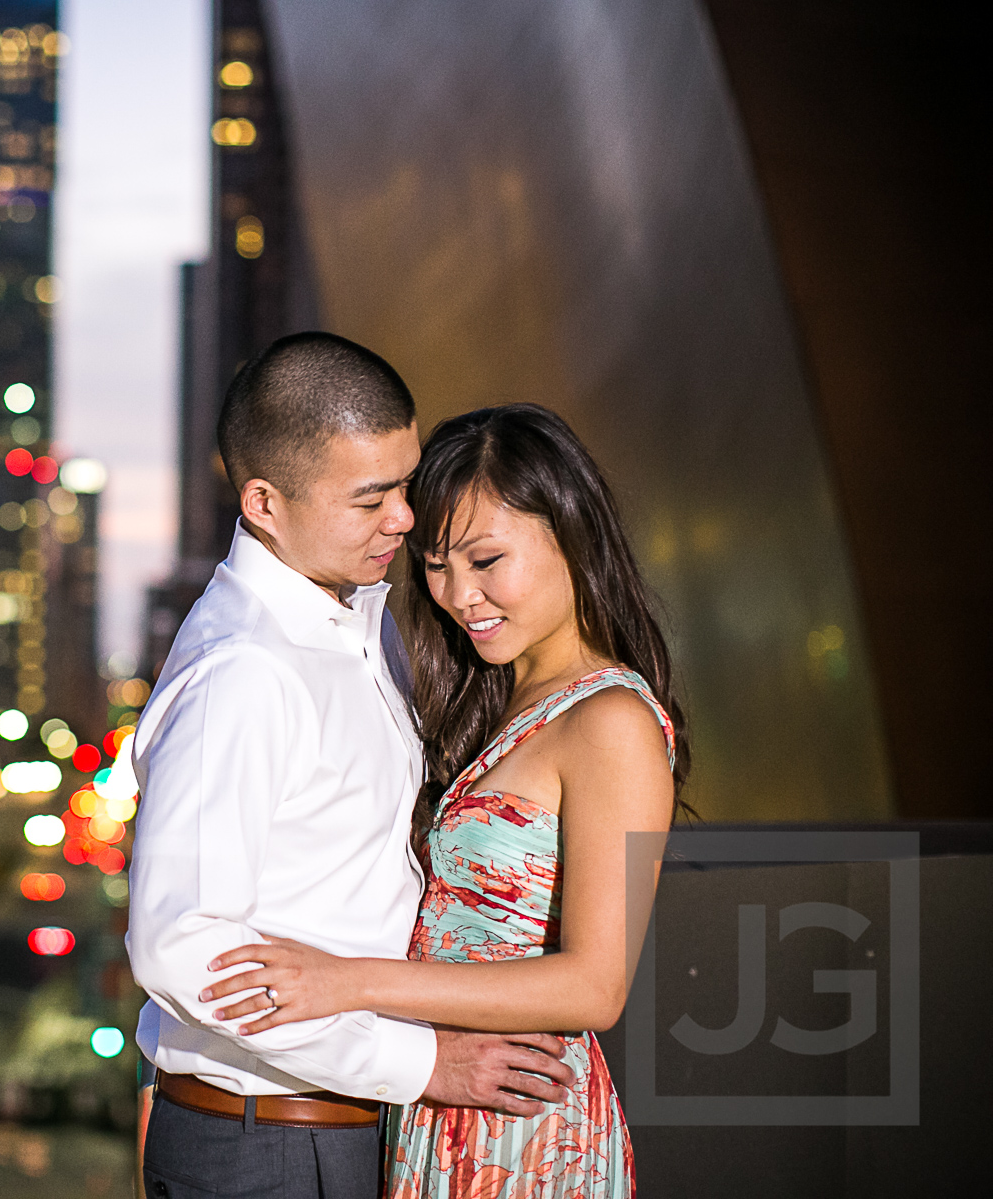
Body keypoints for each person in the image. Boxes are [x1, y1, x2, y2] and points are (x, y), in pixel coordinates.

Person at [201, 403, 692, 1198]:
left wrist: (347, 980)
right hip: (443, 1101)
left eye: (486, 559)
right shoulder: (498, 699)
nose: (460, 595)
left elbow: (595, 987)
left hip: (524, 1128)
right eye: (434, 564)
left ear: (570, 531)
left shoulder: (612, 721)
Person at [127, 339, 578, 1199]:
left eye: (405, 485)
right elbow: (181, 947)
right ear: (264, 502)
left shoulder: (361, 617)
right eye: (371, 498)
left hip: (348, 1135)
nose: (406, 520)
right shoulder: (246, 672)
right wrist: (422, 1062)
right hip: (266, 1146)